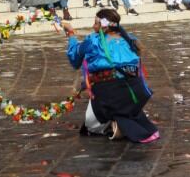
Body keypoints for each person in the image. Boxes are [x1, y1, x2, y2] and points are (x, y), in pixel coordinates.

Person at [66, 8, 160, 143]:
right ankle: (122, 119)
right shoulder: (130, 39)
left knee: (91, 126)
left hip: (110, 91)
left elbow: (74, 58)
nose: (93, 26)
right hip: (135, 90)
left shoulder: (94, 40)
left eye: (96, 23)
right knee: (125, 112)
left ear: (104, 26)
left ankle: (115, 124)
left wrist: (70, 34)